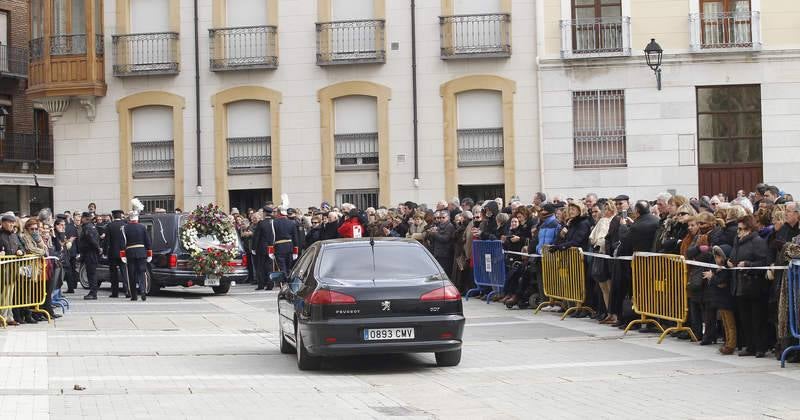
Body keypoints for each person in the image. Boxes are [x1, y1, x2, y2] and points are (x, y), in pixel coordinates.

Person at [729, 215, 770, 358]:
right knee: (745, 318)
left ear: (749, 229)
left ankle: (760, 347)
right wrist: (730, 262)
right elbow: (734, 257)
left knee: (757, 319)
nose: (738, 232)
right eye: (738, 229)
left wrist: (748, 265)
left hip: (755, 286)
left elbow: (764, 262)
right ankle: (750, 346)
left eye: (741, 229)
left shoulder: (757, 242)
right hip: (740, 285)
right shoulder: (737, 241)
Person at [702, 245, 737, 354]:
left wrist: (712, 277)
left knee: (730, 323)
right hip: (721, 300)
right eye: (715, 257)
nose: (717, 259)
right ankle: (727, 342)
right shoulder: (718, 269)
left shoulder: (725, 270)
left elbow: (721, 283)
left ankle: (731, 344)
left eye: (719, 257)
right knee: (725, 323)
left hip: (727, 299)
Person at [121, 210, 152, 301]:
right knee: (142, 273)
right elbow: (148, 241)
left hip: (130, 253)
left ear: (130, 218)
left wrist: (123, 255)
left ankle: (134, 295)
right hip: (141, 252)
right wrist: (149, 253)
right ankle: (143, 291)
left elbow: (123, 243)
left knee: (131, 275)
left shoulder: (124, 228)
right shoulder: (143, 227)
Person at [252, 206, 276, 290]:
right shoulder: (274, 222)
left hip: (261, 248)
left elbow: (256, 236)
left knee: (260, 267)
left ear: (265, 213)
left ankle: (261, 284)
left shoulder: (261, 223)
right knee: (269, 267)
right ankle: (270, 284)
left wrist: (253, 248)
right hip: (272, 247)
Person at [79, 212, 102, 300]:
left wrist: (98, 248)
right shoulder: (91, 226)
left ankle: (93, 293)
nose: (81, 219)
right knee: (91, 273)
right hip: (90, 253)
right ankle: (93, 292)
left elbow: (91, 239)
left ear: (85, 218)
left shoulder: (87, 227)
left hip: (90, 253)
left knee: (91, 274)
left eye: (82, 218)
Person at [426, 211, 455, 278]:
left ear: (448, 218)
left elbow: (445, 238)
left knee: (444, 272)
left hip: (445, 253)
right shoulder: (438, 225)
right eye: (440, 217)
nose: (441, 219)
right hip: (437, 252)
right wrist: (430, 233)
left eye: (443, 217)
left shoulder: (449, 226)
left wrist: (435, 234)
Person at [105, 210, 127, 298]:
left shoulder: (110, 225)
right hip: (123, 252)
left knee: (114, 274)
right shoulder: (125, 224)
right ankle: (127, 290)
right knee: (125, 272)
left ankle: (115, 292)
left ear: (113, 216)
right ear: (121, 215)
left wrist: (106, 252)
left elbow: (107, 240)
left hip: (113, 253)